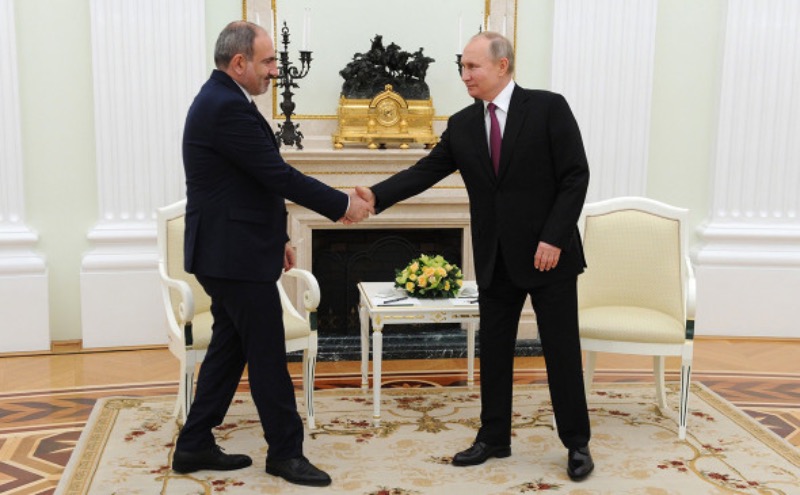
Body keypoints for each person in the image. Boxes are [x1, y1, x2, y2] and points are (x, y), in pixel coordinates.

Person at [356, 31, 594, 481]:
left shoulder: (548, 108)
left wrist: (554, 238)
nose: (464, 75)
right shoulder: (463, 123)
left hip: (549, 256)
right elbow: (426, 170)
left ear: (502, 65)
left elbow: (575, 176)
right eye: (462, 67)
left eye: (472, 66)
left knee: (560, 352)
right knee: (494, 351)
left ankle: (576, 443)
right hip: (495, 258)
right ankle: (494, 437)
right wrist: (376, 195)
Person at [171, 21, 373, 487]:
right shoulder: (225, 106)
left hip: (231, 252)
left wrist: (278, 237)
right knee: (266, 357)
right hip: (233, 257)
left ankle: (194, 443)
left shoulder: (225, 99)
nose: (275, 71)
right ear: (239, 62)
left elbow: (251, 182)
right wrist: (342, 204)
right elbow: (278, 175)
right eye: (267, 62)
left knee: (229, 350)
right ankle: (285, 453)